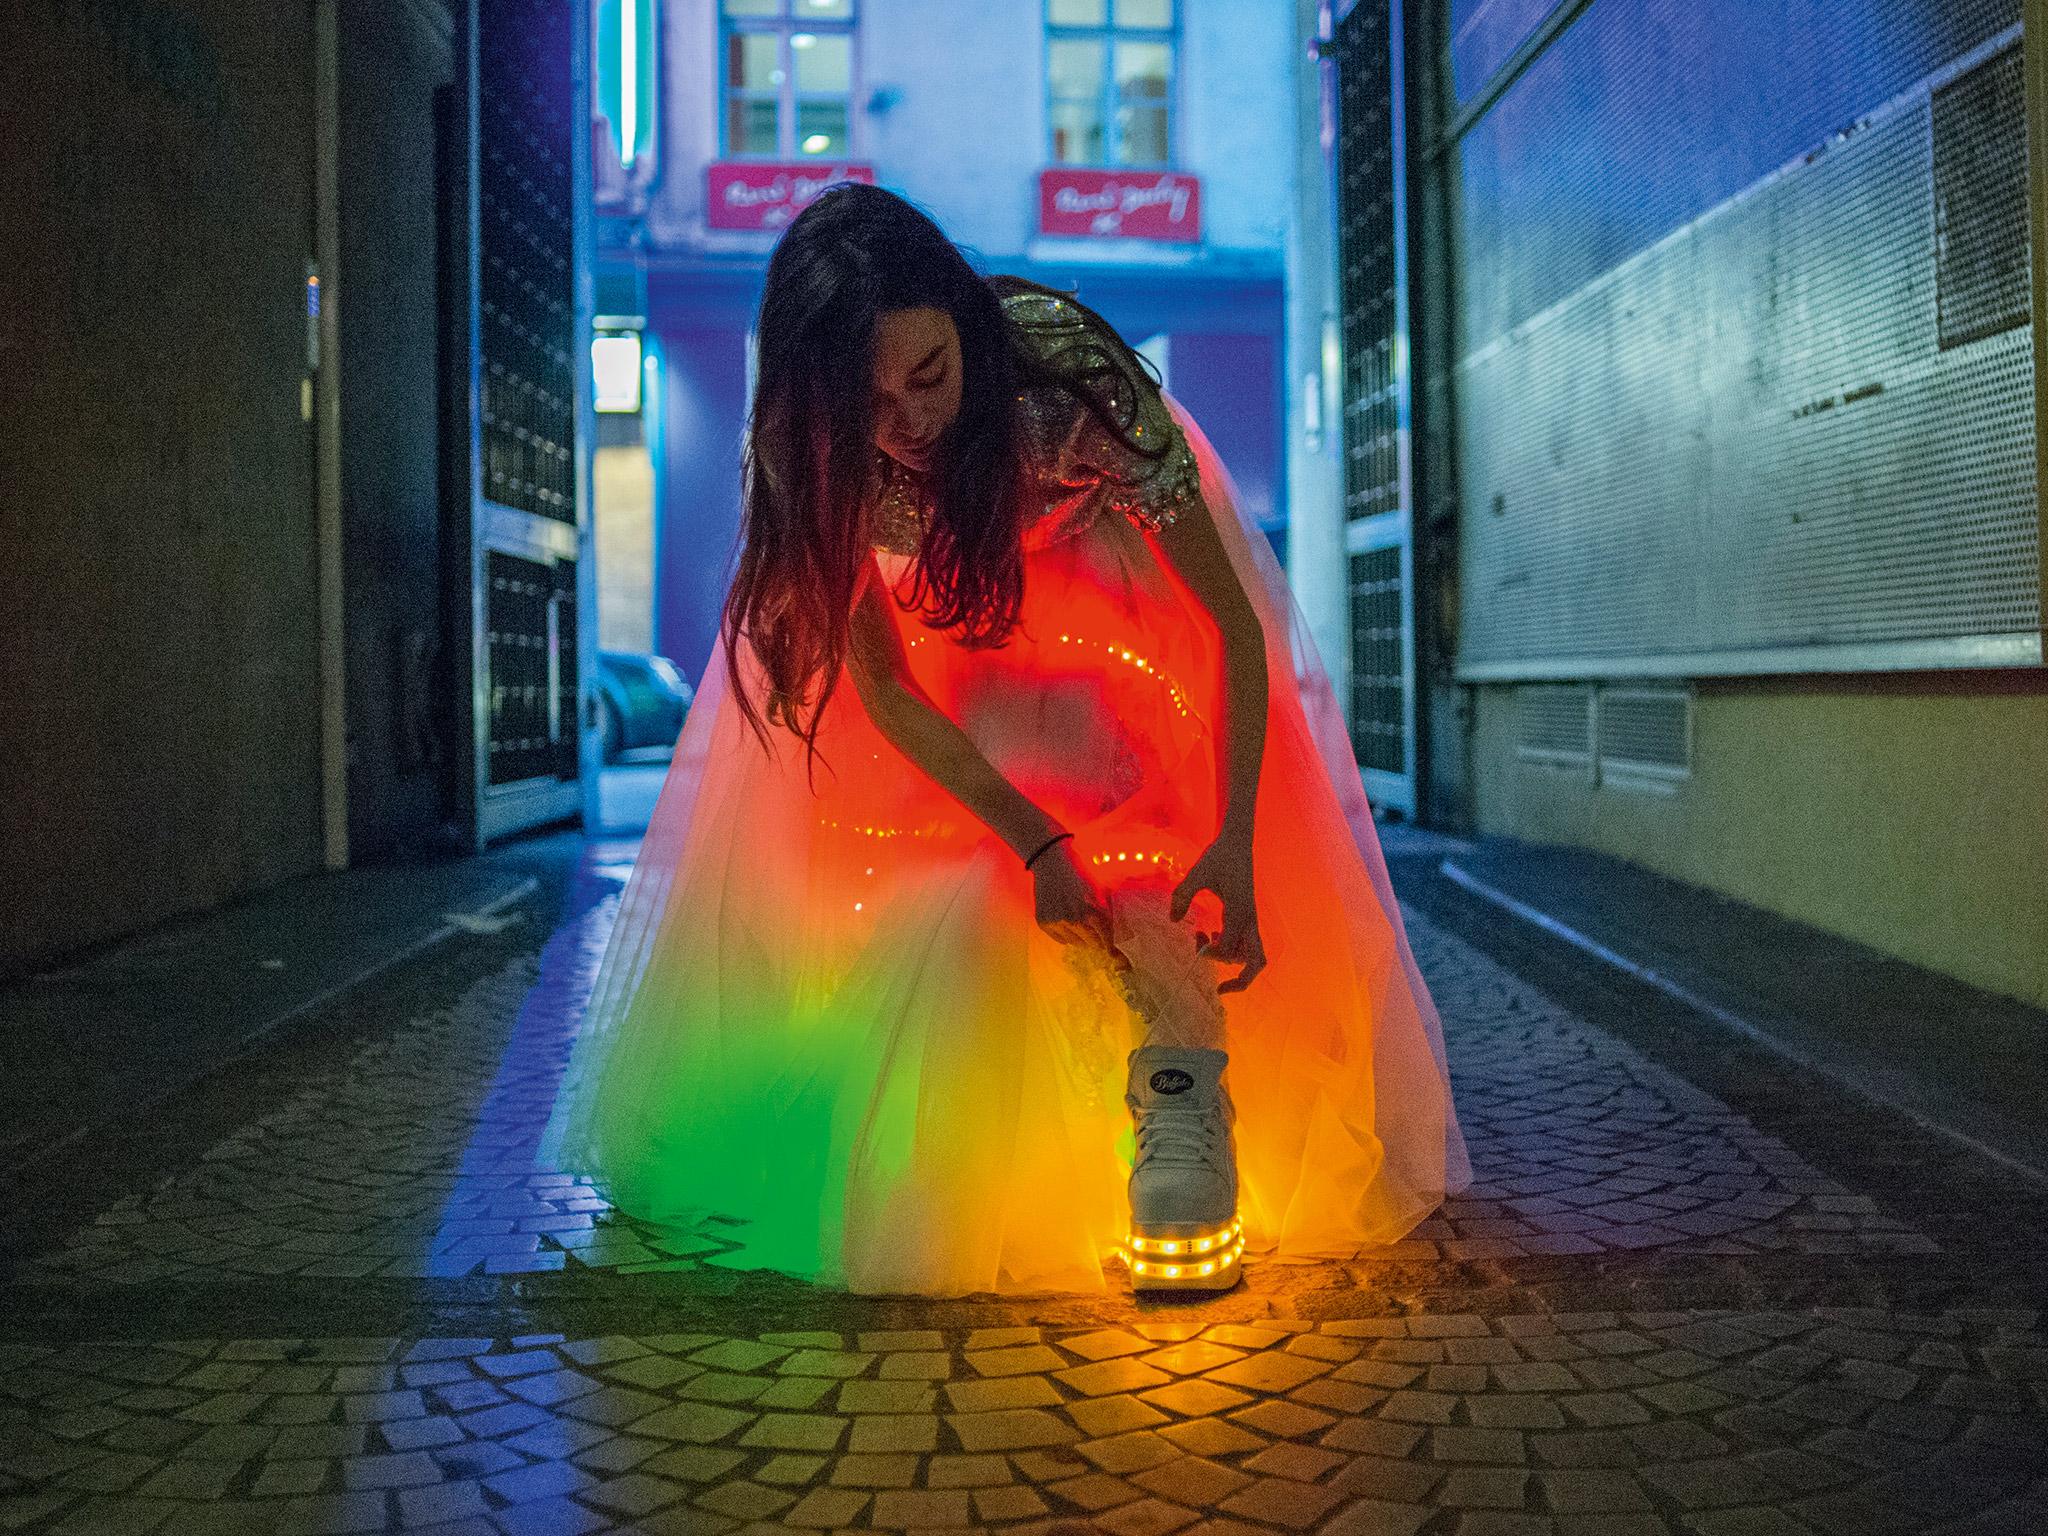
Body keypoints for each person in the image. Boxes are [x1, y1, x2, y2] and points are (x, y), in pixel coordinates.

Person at [540, 183, 1467, 1298]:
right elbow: (877, 684)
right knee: (948, 896)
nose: (910, 423)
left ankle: (1181, 1094)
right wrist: (1029, 841)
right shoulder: (810, 447)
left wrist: (1233, 837)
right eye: (869, 407)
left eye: (927, 376)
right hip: (950, 655)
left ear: (963, 323)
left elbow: (1230, 622)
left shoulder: (1065, 371)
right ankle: (964, 1130)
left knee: (1141, 849)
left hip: (1119, 623)